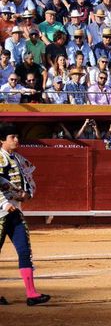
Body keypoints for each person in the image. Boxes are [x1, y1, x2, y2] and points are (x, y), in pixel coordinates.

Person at [0, 123, 51, 306]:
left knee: (24, 251)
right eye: (12, 137)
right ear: (2, 140)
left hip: (15, 212)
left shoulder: (19, 159)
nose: (16, 139)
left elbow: (28, 180)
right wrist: (4, 203)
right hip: (1, 212)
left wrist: (28, 193)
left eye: (17, 136)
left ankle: (32, 294)